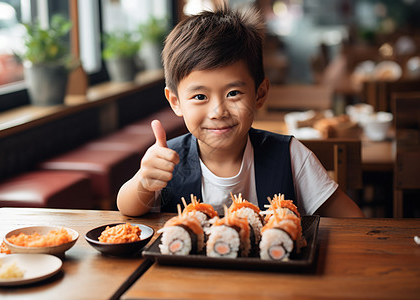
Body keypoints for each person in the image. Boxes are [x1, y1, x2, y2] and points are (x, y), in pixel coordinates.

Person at [117, 5, 364, 218]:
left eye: (233, 93)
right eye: (200, 97)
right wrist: (143, 181)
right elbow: (126, 208)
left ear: (260, 94)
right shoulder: (167, 160)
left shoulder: (290, 156)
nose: (218, 111)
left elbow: (352, 219)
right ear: (175, 101)